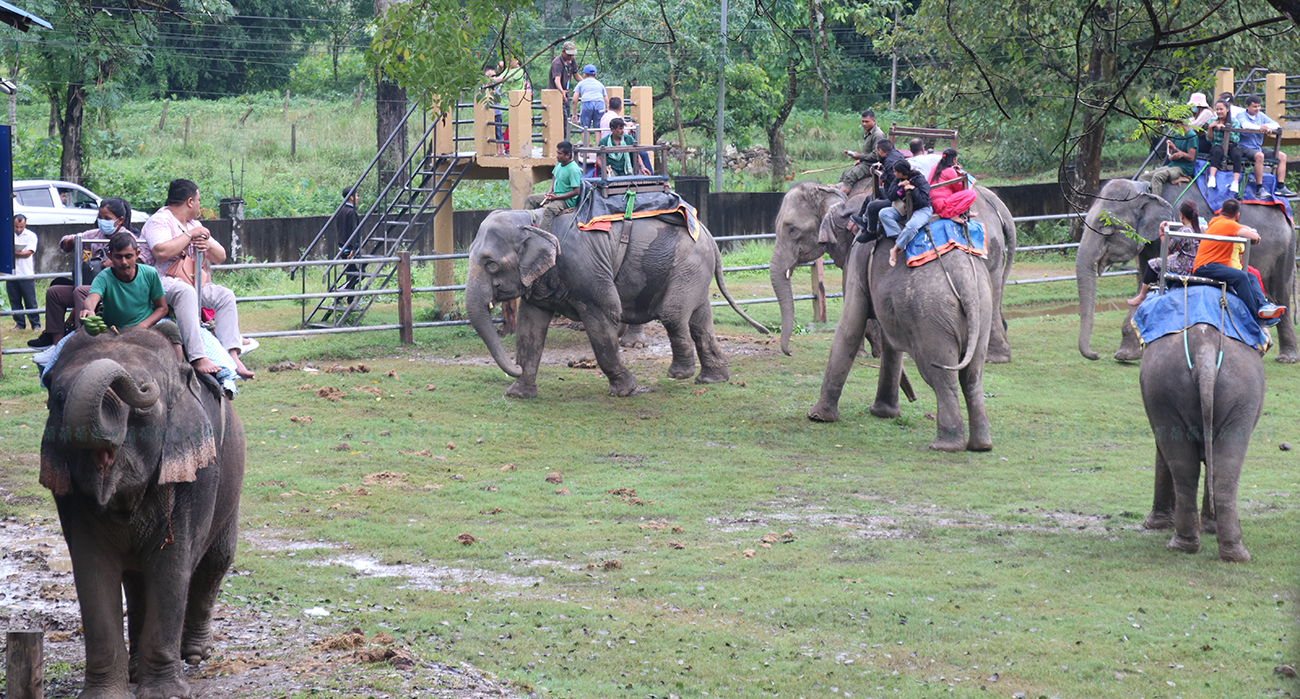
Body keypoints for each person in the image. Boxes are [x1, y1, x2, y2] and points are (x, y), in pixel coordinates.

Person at [142, 178, 253, 378]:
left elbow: (221, 256)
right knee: (186, 292)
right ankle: (198, 356)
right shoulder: (159, 221)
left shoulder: (195, 224)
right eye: (199, 200)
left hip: (192, 281)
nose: (200, 205)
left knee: (225, 295)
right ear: (190, 202)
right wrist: (190, 236)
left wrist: (207, 245)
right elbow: (160, 251)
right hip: (162, 282)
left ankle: (233, 355)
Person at [28, 198, 145, 349]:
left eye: (107, 219)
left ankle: (81, 340)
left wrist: (115, 263)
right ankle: (56, 345)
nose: (102, 222)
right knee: (54, 292)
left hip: (113, 288)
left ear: (119, 220)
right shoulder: (94, 235)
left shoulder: (129, 239)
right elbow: (65, 241)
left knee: (80, 291)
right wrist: (71, 242)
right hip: (92, 283)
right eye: (100, 218)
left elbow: (144, 258)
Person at [80, 232, 195, 365]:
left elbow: (162, 307)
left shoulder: (149, 273)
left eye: (128, 256)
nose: (124, 262)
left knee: (170, 327)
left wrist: (142, 326)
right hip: (114, 332)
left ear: (137, 254)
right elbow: (92, 297)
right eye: (118, 257)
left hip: (146, 330)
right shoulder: (104, 277)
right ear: (110, 256)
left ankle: (178, 369)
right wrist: (90, 310)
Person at [1190, 198, 1284, 325]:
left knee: (1250, 276)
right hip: (1207, 267)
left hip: (1212, 265)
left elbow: (1240, 228)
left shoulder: (1215, 221)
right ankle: (1255, 315)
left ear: (1221, 211)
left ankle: (1263, 305)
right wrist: (1253, 235)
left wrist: (1246, 229)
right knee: (1241, 276)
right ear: (1237, 215)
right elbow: (1254, 237)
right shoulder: (1230, 225)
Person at [1127, 199, 1202, 306]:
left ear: (1182, 216)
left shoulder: (1184, 231)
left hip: (1184, 268)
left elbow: (1168, 250)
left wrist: (1162, 233)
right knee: (1171, 258)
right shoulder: (1199, 228)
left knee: (1153, 263)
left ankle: (1142, 295)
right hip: (1195, 265)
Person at [878, 160, 934, 267]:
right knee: (883, 213)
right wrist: (899, 185)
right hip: (904, 208)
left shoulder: (918, 179)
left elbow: (923, 200)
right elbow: (890, 196)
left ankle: (894, 250)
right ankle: (900, 238)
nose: (894, 174)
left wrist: (913, 189)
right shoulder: (898, 179)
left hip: (922, 209)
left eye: (895, 172)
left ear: (902, 172)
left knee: (912, 226)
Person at [848, 139, 906, 242]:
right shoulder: (895, 155)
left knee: (872, 206)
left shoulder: (890, 161)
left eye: (876, 151)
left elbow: (894, 179)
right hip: (892, 192)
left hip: (897, 197)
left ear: (881, 151)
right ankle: (863, 221)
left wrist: (883, 175)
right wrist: (881, 165)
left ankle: (871, 232)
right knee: (874, 194)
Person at [1237, 95, 1291, 198]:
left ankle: (1281, 186)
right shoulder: (1241, 115)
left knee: (1282, 156)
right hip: (1244, 147)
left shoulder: (1261, 115)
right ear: (1247, 106)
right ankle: (1259, 187)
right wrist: (1260, 128)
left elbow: (1276, 125)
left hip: (1257, 147)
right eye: (1254, 107)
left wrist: (1267, 127)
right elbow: (1245, 125)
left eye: (1259, 106)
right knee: (1260, 156)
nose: (1257, 109)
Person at [524, 141, 582, 230]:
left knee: (549, 210)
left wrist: (557, 198)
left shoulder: (573, 169)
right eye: (557, 152)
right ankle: (526, 225)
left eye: (559, 153)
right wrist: (550, 190)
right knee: (531, 199)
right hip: (554, 194)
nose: (557, 155)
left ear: (567, 155)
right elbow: (554, 176)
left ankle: (542, 235)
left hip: (566, 200)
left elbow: (576, 191)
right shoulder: (560, 163)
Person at [1139, 120, 1198, 192]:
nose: (1173, 126)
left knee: (1158, 176)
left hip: (1183, 169)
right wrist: (1172, 156)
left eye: (1174, 123)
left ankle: (1155, 201)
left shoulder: (1191, 136)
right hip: (1172, 165)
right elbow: (1170, 157)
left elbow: (1191, 157)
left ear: (1181, 123)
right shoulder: (1176, 135)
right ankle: (1149, 193)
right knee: (1143, 178)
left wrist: (1175, 149)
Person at [599, 97, 653, 174]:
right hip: (613, 157)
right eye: (620, 129)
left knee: (638, 154)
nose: (622, 131)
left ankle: (647, 175)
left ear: (608, 106)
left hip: (624, 151)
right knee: (643, 154)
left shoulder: (604, 117)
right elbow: (599, 158)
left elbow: (635, 153)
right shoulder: (606, 139)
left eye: (623, 128)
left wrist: (642, 166)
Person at [838, 110, 885, 194]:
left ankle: (840, 197)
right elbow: (868, 152)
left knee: (850, 176)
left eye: (867, 121)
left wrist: (860, 157)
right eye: (862, 121)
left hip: (872, 164)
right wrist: (860, 160)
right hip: (866, 162)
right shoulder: (869, 132)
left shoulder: (877, 135)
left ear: (873, 121)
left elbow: (876, 155)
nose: (864, 124)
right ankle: (839, 191)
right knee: (845, 173)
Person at [7, 214, 38, 332]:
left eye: (21, 227)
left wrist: (12, 253)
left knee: (30, 300)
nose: (18, 229)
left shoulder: (31, 236)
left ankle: (35, 324)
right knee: (14, 300)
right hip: (12, 274)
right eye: (16, 227)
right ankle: (19, 323)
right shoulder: (8, 235)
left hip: (26, 273)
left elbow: (28, 253)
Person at [1205, 100, 1244, 194]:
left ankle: (1235, 182)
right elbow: (1209, 139)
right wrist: (1210, 128)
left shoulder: (1234, 121)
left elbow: (1236, 138)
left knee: (1237, 154)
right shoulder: (1212, 121)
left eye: (1221, 109)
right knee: (1217, 151)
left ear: (1227, 109)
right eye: (1217, 109)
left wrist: (1224, 130)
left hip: (1231, 145)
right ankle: (1212, 177)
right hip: (1217, 144)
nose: (1219, 111)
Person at [928, 148, 977, 221]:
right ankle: (951, 214)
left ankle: (948, 213)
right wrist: (958, 174)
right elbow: (959, 189)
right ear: (954, 159)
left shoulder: (935, 168)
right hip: (942, 205)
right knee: (972, 193)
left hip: (932, 204)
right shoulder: (951, 171)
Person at [336, 186, 361, 307]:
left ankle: (347, 298)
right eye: (356, 195)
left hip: (342, 246)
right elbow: (353, 231)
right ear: (351, 197)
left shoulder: (341, 211)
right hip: (348, 248)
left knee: (350, 274)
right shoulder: (351, 212)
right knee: (355, 275)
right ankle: (342, 296)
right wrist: (353, 248)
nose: (357, 198)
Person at [549, 41, 579, 124]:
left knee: (567, 118)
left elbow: (576, 75)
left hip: (566, 93)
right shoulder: (557, 63)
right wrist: (562, 91)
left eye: (572, 55)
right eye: (569, 55)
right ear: (563, 52)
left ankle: (566, 135)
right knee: (559, 119)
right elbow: (557, 80)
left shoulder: (572, 61)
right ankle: (563, 136)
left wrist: (587, 83)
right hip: (556, 93)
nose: (571, 57)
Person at [572, 64, 607, 131]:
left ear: (584, 75)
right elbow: (606, 98)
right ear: (596, 75)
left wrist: (574, 114)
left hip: (587, 103)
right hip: (599, 104)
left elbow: (574, 100)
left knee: (585, 128)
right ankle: (598, 142)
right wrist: (607, 108)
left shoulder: (581, 83)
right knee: (598, 129)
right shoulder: (600, 84)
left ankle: (585, 141)